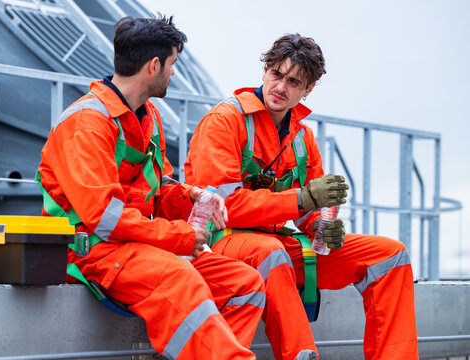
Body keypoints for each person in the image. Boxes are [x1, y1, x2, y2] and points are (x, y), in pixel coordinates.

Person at [37, 16, 267, 360]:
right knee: (179, 275)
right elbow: (103, 218)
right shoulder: (86, 124)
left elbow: (156, 193)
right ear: (154, 65)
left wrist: (192, 197)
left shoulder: (148, 117)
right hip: (93, 250)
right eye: (172, 64)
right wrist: (181, 238)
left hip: (137, 244)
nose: (174, 73)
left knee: (245, 284)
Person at [185, 33, 419, 360]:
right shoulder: (224, 121)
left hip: (277, 246)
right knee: (271, 252)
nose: (281, 87)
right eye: (276, 75)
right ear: (265, 70)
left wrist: (323, 227)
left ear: (307, 90)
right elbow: (224, 209)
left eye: (293, 82)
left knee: (390, 255)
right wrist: (301, 200)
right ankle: (302, 354)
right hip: (220, 241)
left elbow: (310, 209)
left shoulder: (302, 137)